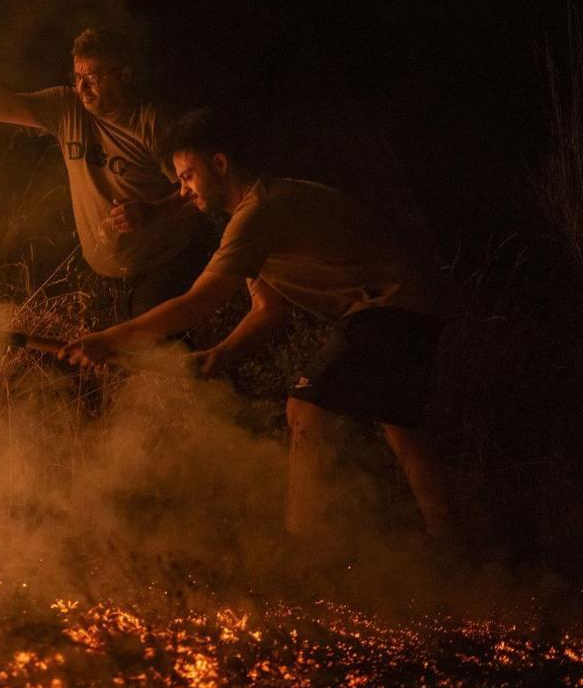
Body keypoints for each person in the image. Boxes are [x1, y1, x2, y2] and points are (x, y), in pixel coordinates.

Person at [60, 108, 456, 542]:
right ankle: (451, 551)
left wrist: (109, 338)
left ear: (220, 164)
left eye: (188, 176)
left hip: (391, 303)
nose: (185, 190)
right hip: (405, 306)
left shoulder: (259, 212)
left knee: (306, 409)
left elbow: (199, 302)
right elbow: (267, 309)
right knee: (402, 429)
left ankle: (305, 551)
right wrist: (222, 354)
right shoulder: (251, 218)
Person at [0, 28, 215, 320]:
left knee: (157, 355)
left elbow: (203, 190)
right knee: (110, 359)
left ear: (125, 75)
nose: (82, 88)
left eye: (93, 78)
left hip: (161, 267)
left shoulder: (153, 124)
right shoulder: (67, 109)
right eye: (76, 77)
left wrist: (155, 211)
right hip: (104, 274)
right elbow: (2, 103)